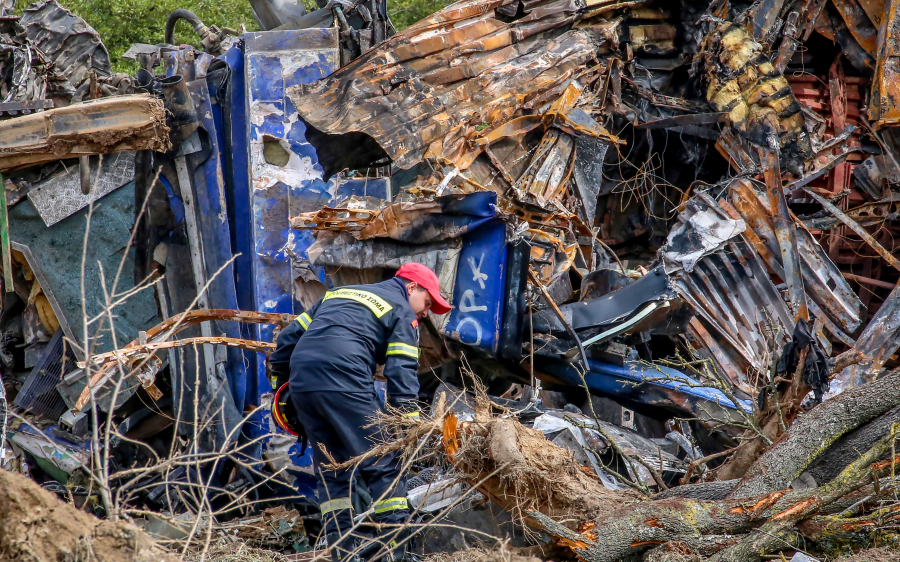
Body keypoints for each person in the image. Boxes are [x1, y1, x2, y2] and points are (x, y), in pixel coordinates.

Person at [269, 263, 452, 562]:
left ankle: (341, 554)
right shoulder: (401, 311)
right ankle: (396, 555)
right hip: (345, 380)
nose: (425, 313)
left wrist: (281, 387)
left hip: (303, 386)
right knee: (385, 464)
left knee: (333, 470)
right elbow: (401, 371)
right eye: (428, 303)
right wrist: (409, 425)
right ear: (411, 287)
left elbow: (288, 338)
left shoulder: (338, 294)